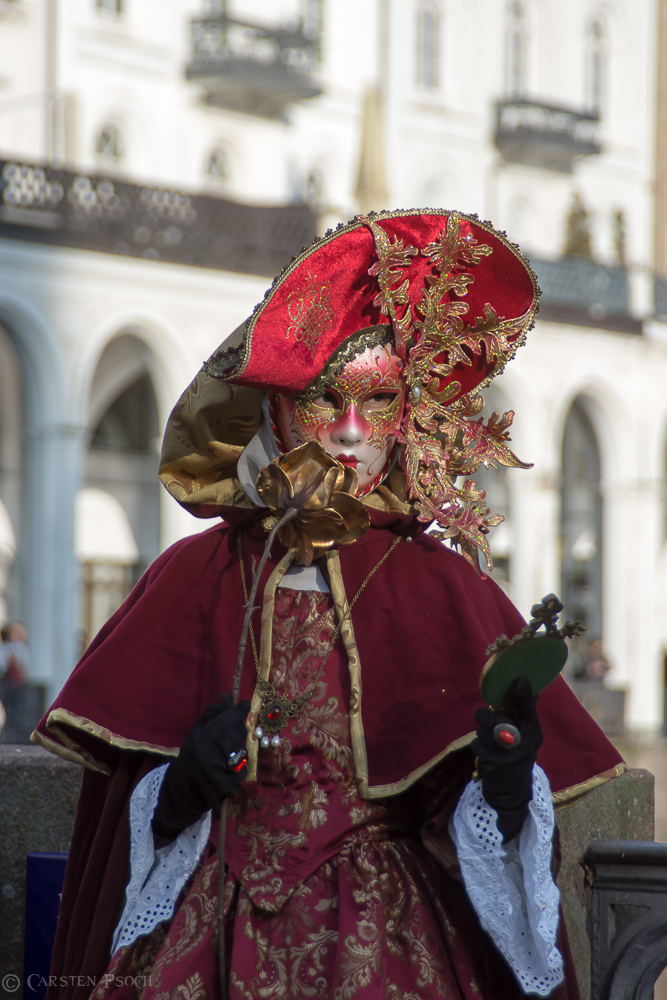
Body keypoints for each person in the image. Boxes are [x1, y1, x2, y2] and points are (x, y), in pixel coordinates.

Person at [34, 210, 625, 1000]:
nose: (349, 433)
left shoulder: (439, 587)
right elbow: (118, 816)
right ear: (273, 411)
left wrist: (503, 787)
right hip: (208, 925)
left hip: (383, 936)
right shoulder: (195, 576)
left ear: (406, 416)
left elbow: (455, 818)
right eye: (323, 399)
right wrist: (174, 793)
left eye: (376, 402)